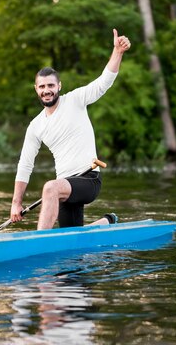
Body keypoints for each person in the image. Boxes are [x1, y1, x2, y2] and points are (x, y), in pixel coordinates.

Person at [10, 29, 131, 230]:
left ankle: (40, 244)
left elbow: (104, 82)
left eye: (50, 85)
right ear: (36, 89)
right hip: (65, 187)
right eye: (42, 87)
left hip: (88, 179)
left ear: (59, 87)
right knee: (73, 235)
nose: (46, 90)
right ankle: (107, 221)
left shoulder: (75, 100)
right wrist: (16, 202)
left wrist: (117, 52)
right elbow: (25, 165)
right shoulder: (35, 126)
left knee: (50, 187)